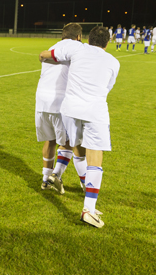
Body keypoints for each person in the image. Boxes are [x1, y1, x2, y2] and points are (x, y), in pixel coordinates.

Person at [39, 26, 120, 228]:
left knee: (75, 148)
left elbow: (46, 55)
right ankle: (88, 210)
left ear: (86, 39)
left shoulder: (76, 50)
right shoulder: (113, 61)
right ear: (107, 42)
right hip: (94, 111)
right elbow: (107, 88)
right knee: (95, 158)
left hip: (69, 110)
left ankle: (56, 176)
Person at [35, 23, 87, 194]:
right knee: (70, 142)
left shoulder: (52, 47)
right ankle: (58, 176)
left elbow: (43, 56)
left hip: (42, 100)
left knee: (50, 140)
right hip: (61, 101)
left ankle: (45, 180)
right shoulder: (78, 48)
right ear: (78, 36)